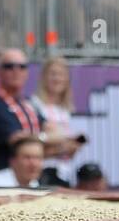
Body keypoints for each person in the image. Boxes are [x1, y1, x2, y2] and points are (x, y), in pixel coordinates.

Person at [0, 48, 80, 175]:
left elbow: (57, 133)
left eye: (22, 67)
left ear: (27, 72)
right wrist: (53, 143)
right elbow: (21, 144)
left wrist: (59, 147)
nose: (16, 71)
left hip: (31, 179)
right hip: (7, 178)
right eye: (9, 66)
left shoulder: (27, 104)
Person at [29, 56, 85, 185]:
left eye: (61, 74)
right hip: (43, 173)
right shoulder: (35, 105)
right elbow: (33, 143)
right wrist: (61, 148)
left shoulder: (65, 109)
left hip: (64, 172)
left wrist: (72, 147)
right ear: (43, 77)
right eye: (53, 74)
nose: (57, 79)